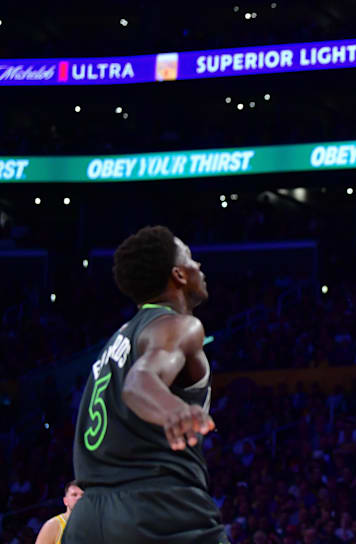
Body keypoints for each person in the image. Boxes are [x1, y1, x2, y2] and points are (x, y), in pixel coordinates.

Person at [64, 226, 225, 544]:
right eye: (191, 259)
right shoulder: (179, 325)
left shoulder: (114, 342)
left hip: (87, 519)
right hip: (154, 511)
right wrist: (174, 410)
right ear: (178, 275)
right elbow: (140, 382)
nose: (199, 266)